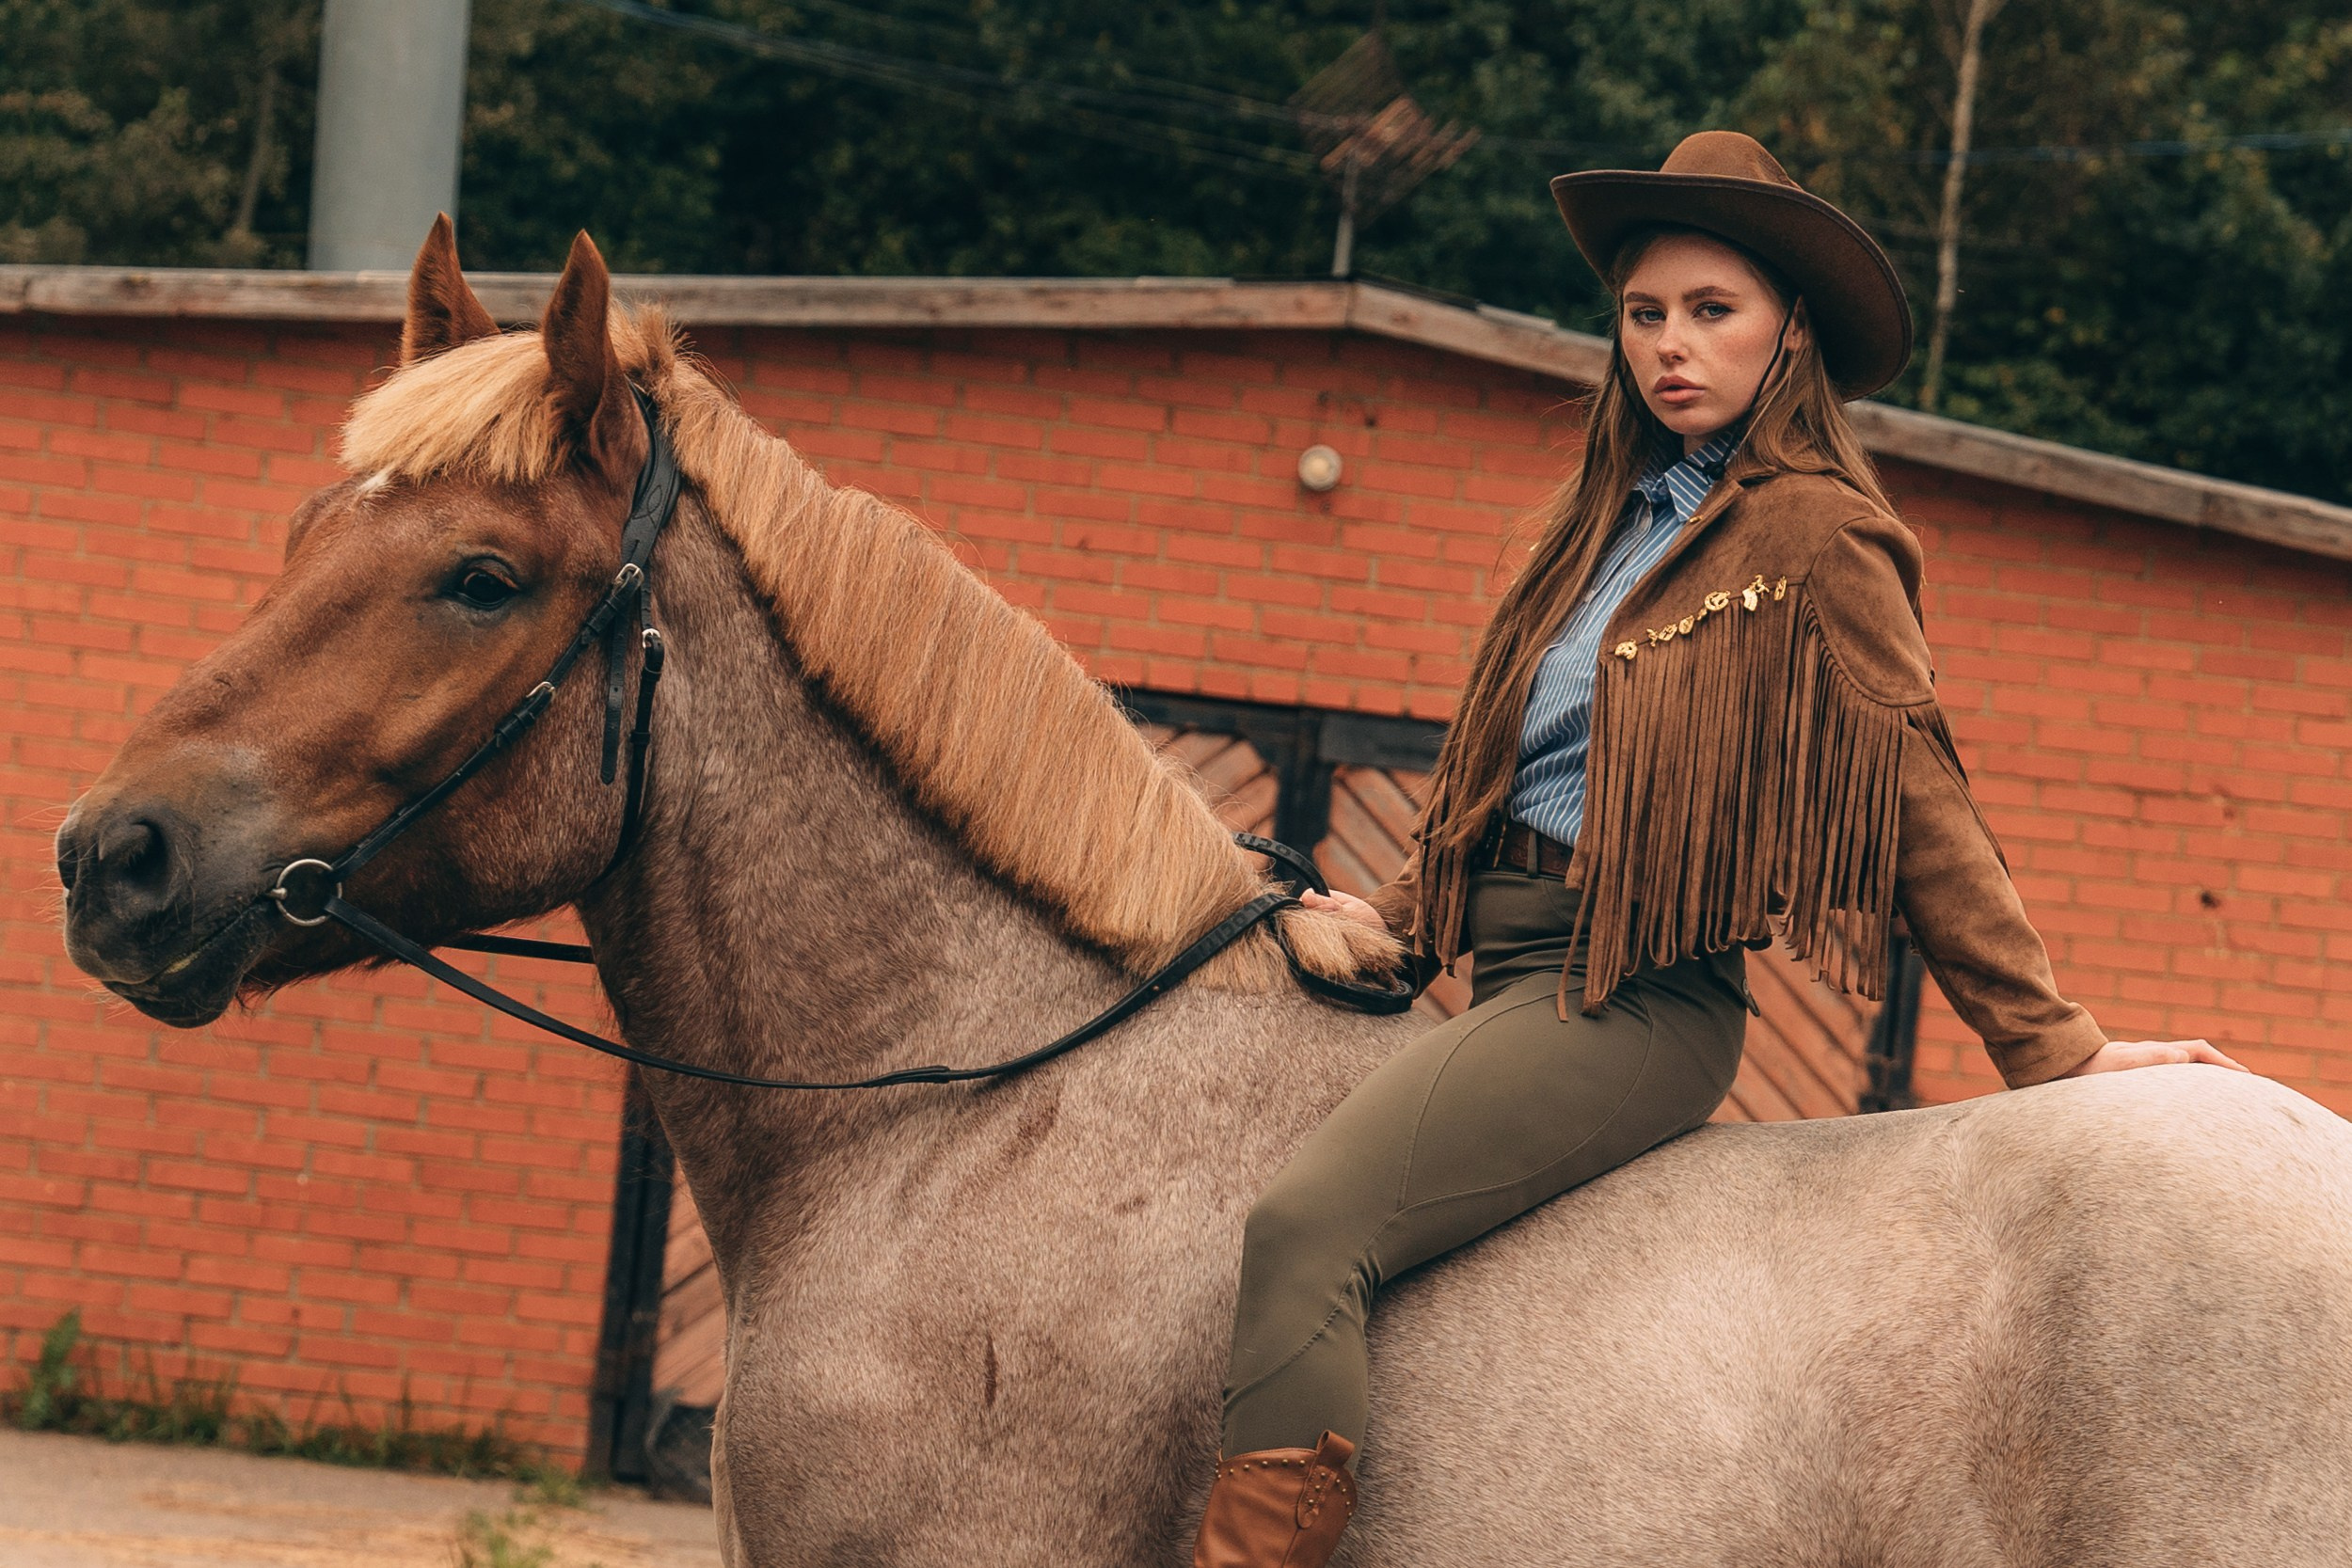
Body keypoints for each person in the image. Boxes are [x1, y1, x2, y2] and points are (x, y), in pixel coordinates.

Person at [1187, 131, 2248, 1568]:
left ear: (1788, 331)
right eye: (1644, 315)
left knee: (1305, 1233)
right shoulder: (1597, 526)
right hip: (1500, 964)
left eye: (1711, 311)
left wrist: (2050, 1044)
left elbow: (1918, 792)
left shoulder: (1819, 534)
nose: (1670, 347)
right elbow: (1499, 774)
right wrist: (1389, 916)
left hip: (1628, 998)